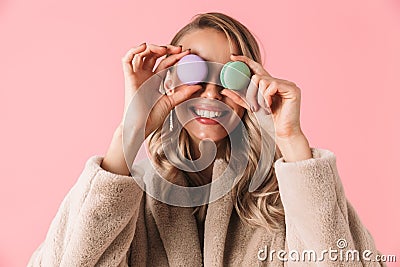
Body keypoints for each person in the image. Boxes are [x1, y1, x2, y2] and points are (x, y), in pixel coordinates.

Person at [28, 12, 384, 266]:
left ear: (253, 87)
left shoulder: (285, 198)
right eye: (193, 71)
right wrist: (131, 129)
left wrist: (290, 138)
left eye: (232, 77)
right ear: (166, 83)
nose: (211, 93)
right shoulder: (132, 202)